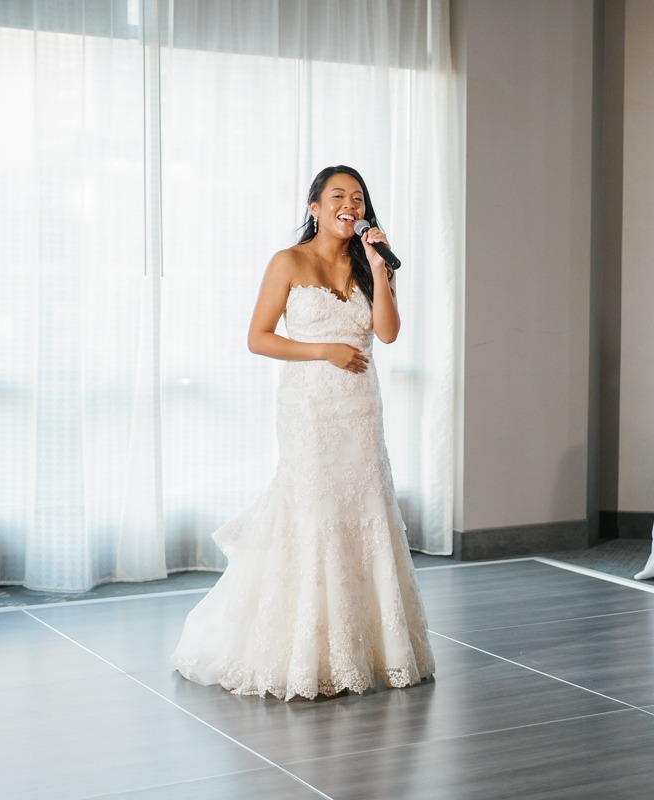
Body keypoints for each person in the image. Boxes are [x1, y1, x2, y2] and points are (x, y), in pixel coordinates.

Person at [172, 165, 435, 700]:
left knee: (361, 509)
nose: (350, 204)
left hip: (360, 409)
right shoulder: (287, 262)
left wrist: (381, 270)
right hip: (310, 406)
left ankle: (369, 648)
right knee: (314, 510)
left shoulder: (369, 264)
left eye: (358, 198)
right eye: (338, 195)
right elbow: (258, 338)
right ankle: (307, 650)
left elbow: (385, 332)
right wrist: (324, 350)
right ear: (314, 206)